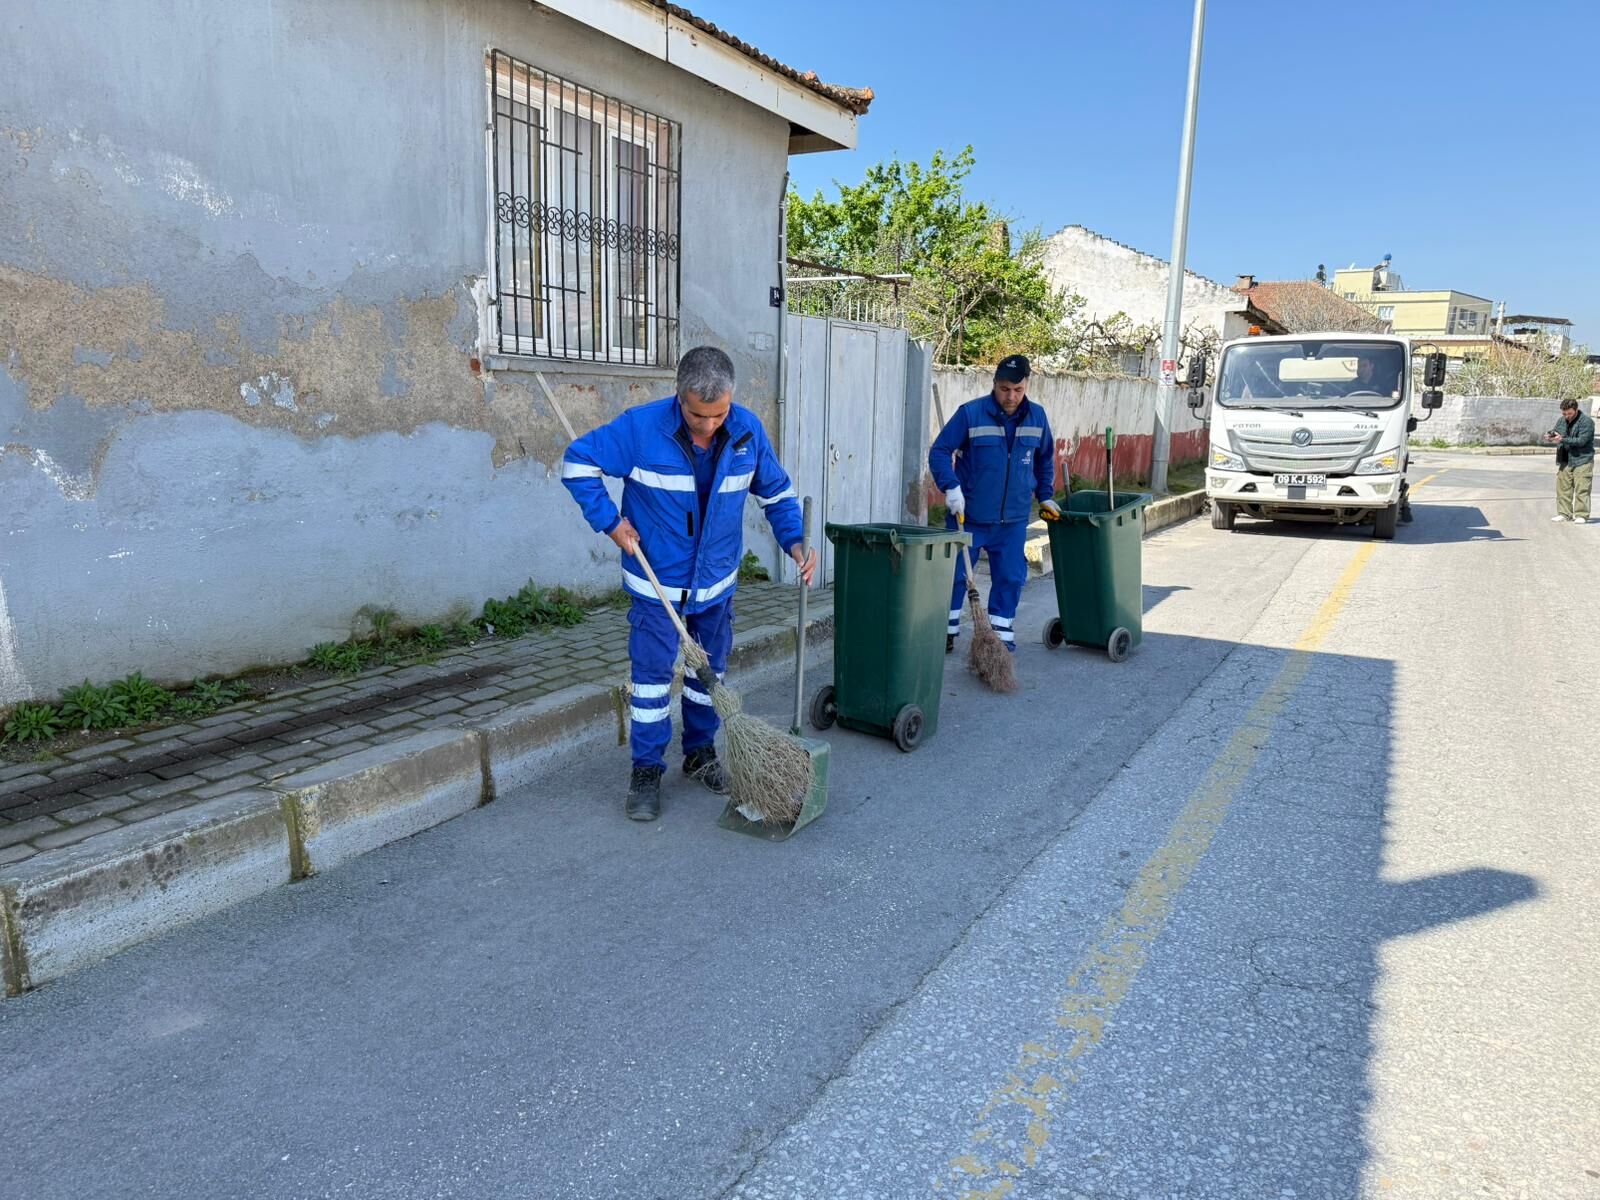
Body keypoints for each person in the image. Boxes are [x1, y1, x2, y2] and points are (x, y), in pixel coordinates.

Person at [561, 346, 817, 821]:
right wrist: (611, 523)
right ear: (679, 397)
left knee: (709, 678)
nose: (708, 426)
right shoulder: (640, 429)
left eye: (718, 414)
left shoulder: (747, 431)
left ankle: (700, 753)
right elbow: (577, 465)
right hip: (657, 586)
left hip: (716, 586)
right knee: (652, 683)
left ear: (731, 402)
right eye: (699, 415)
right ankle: (646, 770)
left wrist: (796, 543)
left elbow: (777, 495)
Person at [928, 354, 1057, 655]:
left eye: (1017, 390)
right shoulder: (971, 414)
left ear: (1026, 386)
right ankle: (943, 633)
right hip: (968, 517)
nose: (1010, 396)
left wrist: (1046, 494)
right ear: (994, 384)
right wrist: (951, 487)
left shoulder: (1038, 418)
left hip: (1012, 521)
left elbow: (1045, 459)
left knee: (1010, 577)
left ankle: (997, 641)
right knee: (954, 578)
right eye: (1004, 389)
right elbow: (939, 451)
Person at [1545, 398, 1595, 523]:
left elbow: (1581, 441)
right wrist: (1551, 436)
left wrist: (1562, 439)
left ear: (1576, 410)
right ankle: (1564, 513)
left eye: (1569, 413)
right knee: (1563, 488)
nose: (1566, 416)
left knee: (1582, 488)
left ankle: (1581, 515)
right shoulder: (1561, 420)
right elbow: (1557, 432)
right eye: (1564, 413)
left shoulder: (1587, 422)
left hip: (1582, 459)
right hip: (1565, 459)